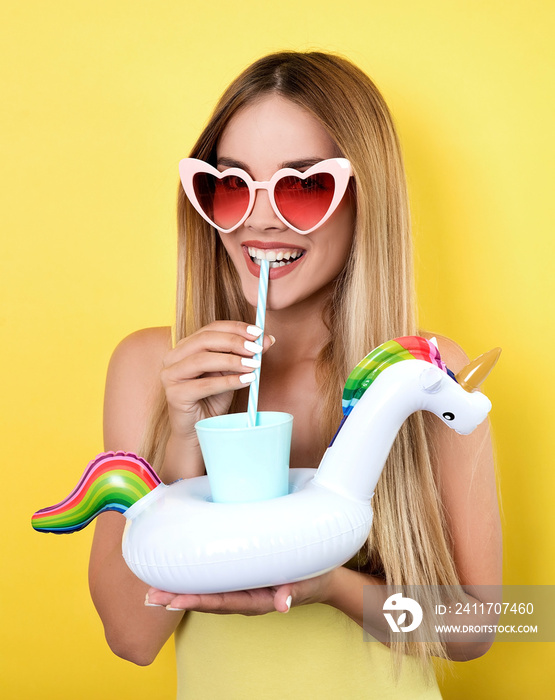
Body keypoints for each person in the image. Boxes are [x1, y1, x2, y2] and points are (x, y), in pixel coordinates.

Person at [89, 51, 502, 698]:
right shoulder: (148, 370)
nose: (259, 219)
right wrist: (179, 441)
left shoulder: (420, 374)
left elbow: (479, 628)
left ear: (364, 195)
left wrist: (330, 586)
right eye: (230, 185)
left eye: (303, 186)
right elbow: (129, 639)